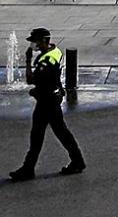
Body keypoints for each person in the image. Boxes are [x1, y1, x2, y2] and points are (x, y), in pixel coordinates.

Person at [9, 28, 85, 182]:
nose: (33, 45)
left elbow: (31, 79)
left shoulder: (45, 61)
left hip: (47, 101)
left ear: (44, 40)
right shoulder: (55, 51)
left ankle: (29, 169)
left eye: (35, 41)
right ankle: (76, 161)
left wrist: (28, 61)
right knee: (55, 132)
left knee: (45, 134)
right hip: (52, 97)